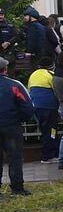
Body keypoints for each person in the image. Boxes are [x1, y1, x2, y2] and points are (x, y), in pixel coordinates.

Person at [0, 60, 33, 194]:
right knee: (15, 156)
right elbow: (28, 107)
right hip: (11, 126)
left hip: (10, 124)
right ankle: (17, 188)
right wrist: (20, 119)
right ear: (5, 69)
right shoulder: (14, 85)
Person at [27, 63, 58, 163]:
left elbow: (29, 90)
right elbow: (56, 91)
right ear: (52, 66)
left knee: (45, 130)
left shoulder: (33, 74)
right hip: (50, 107)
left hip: (36, 107)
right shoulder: (50, 75)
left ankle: (49, 154)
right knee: (52, 131)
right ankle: (48, 155)